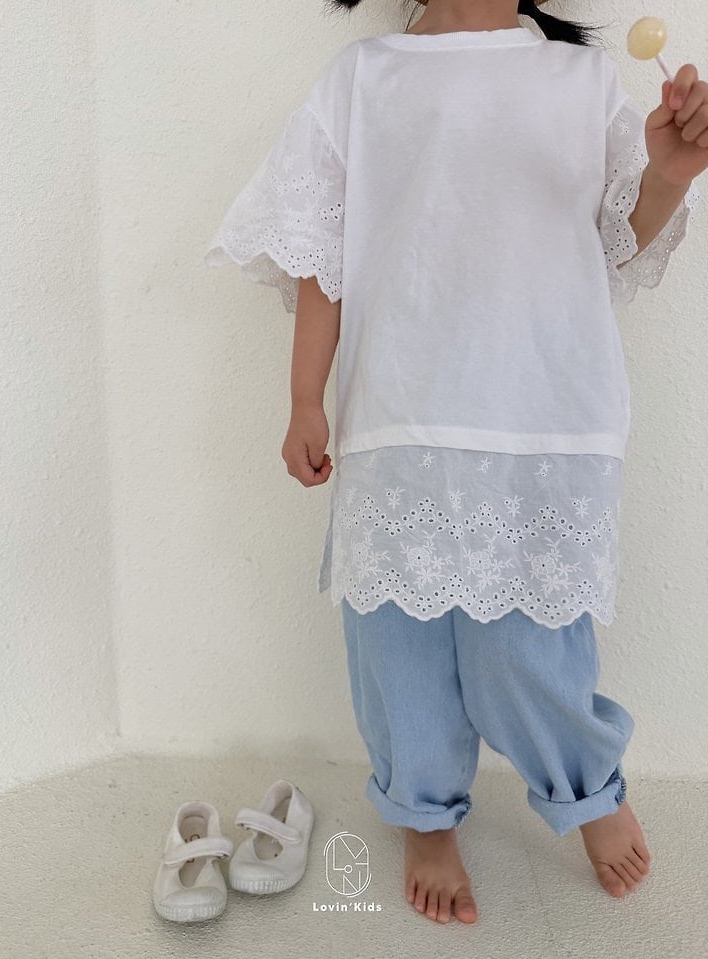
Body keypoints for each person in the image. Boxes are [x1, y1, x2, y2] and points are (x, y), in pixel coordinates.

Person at [204, 0, 706, 925]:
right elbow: (321, 254)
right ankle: (423, 810)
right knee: (396, 648)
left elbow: (616, 239)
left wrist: (669, 171)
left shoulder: (581, 81)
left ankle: (586, 785)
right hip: (398, 417)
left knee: (531, 646)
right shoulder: (362, 81)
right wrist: (306, 397)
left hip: (539, 418)